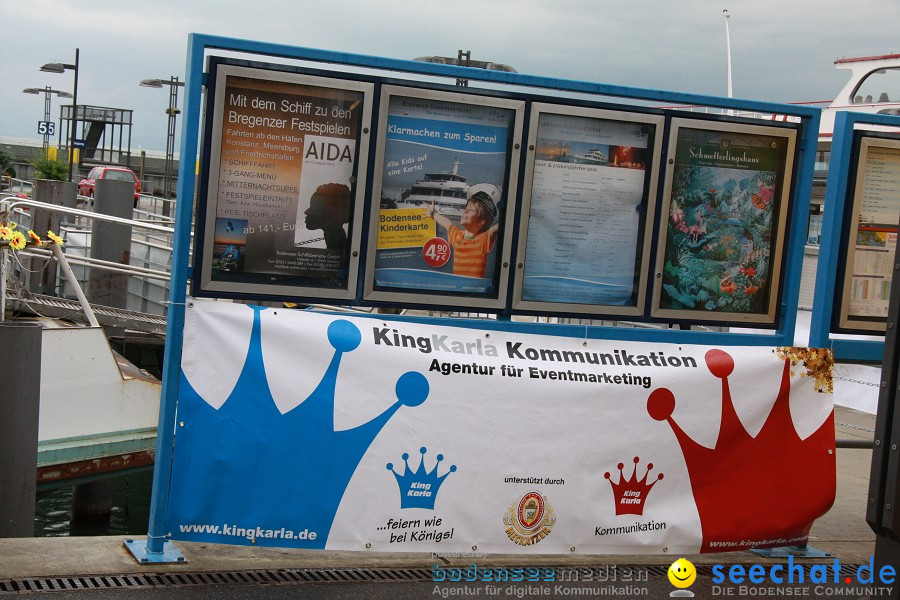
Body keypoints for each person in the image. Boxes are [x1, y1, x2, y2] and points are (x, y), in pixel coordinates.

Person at [426, 183, 501, 278]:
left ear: (481, 222)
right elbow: (448, 224)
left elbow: (496, 228)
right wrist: (433, 214)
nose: (466, 211)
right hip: (458, 286)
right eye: (466, 208)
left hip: (473, 288)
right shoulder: (457, 236)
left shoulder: (483, 241)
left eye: (471, 211)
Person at [304, 183, 351, 251]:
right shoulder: (341, 247)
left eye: (315, 207)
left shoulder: (340, 250)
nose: (306, 212)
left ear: (331, 213)